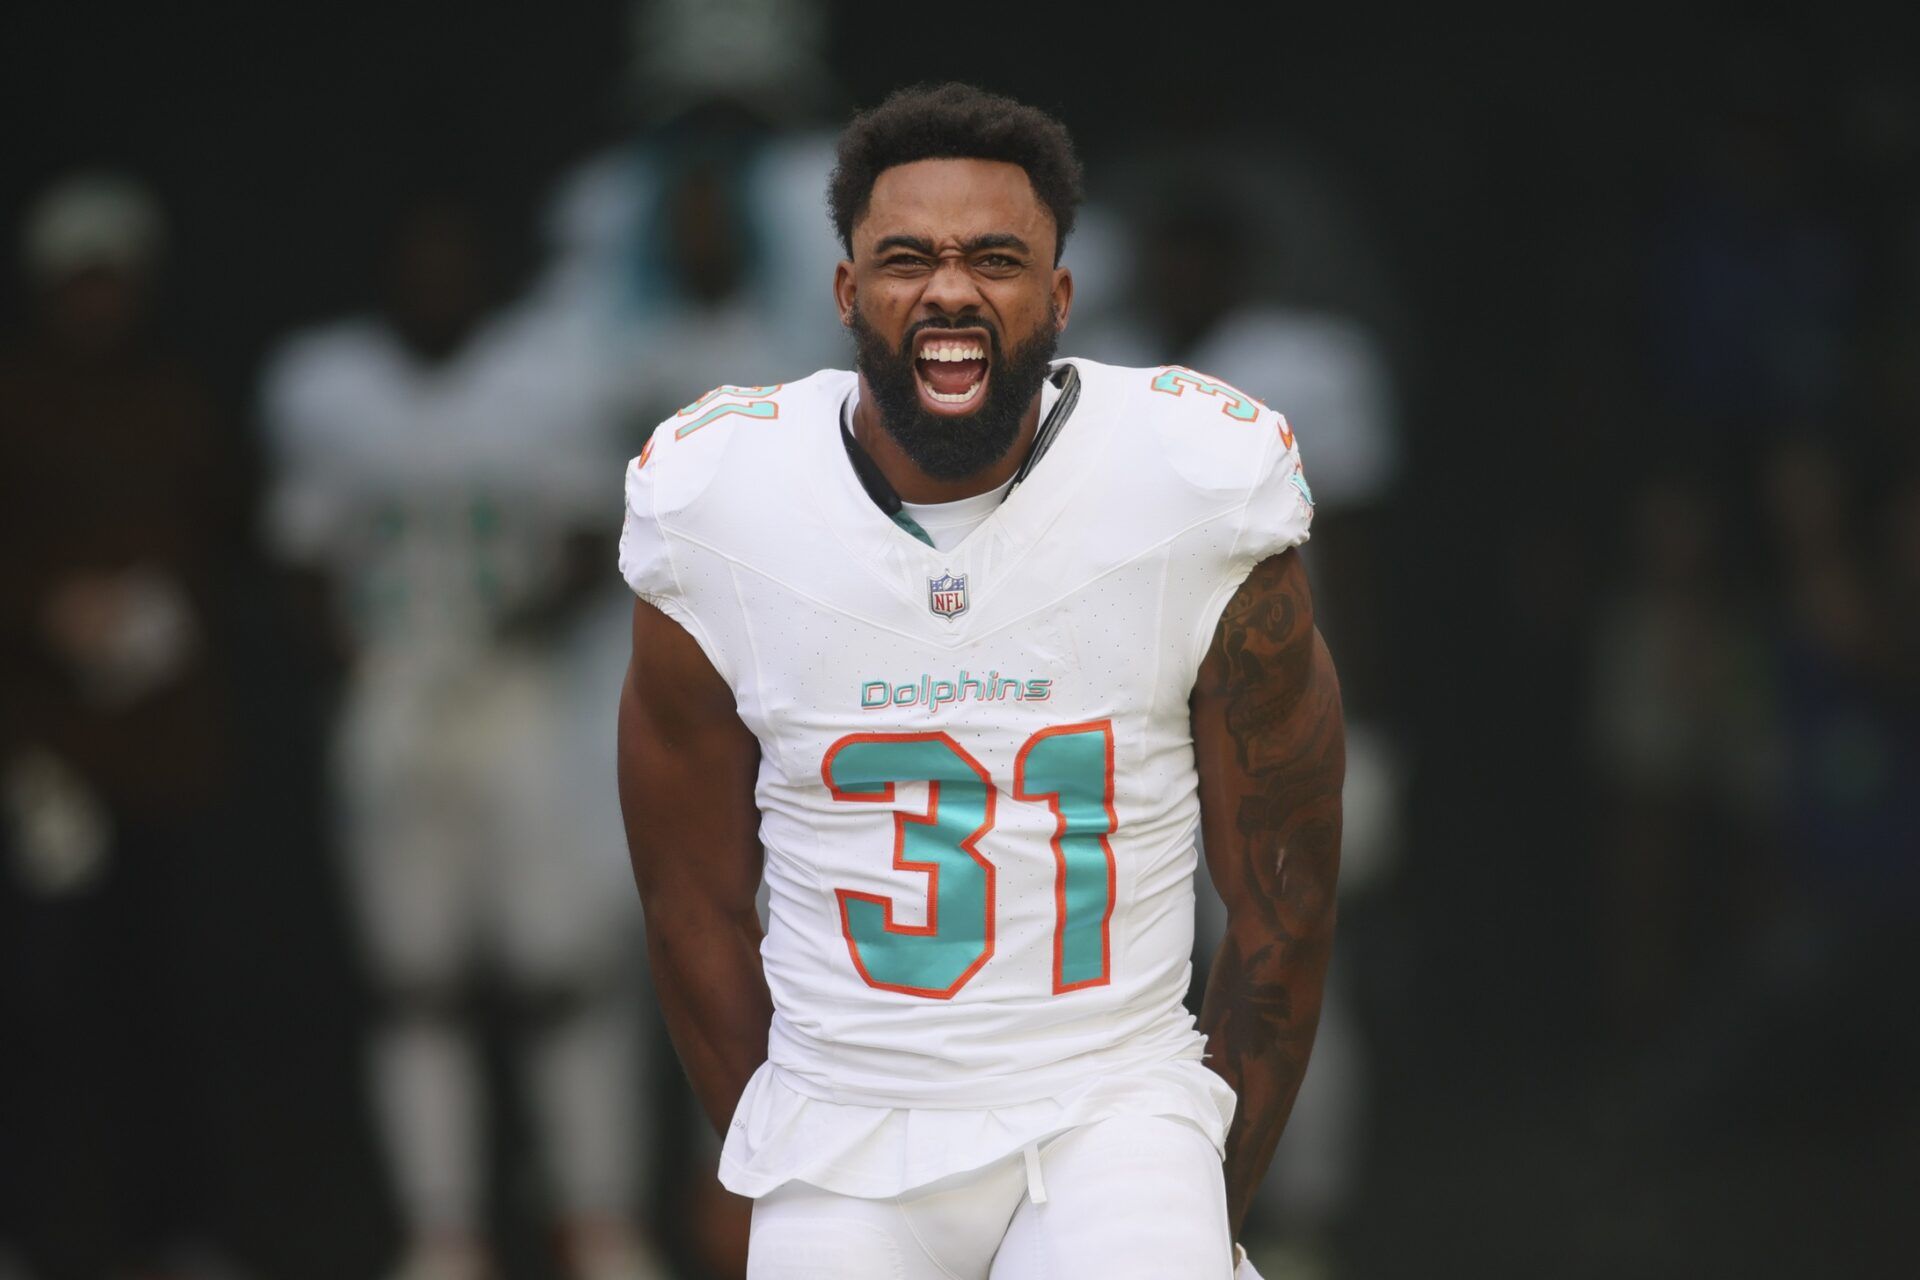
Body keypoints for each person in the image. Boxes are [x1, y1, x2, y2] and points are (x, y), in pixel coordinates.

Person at [615, 84, 1345, 1279]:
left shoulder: (1194, 478)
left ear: (1058, 296)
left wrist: (1196, 1200)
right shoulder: (719, 499)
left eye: (995, 257)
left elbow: (1286, 896)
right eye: (907, 256)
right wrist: (773, 1132)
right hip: (841, 1116)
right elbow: (690, 901)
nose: (950, 286)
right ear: (847, 293)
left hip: (1113, 1101)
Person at [258, 194, 663, 1280]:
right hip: (392, 698)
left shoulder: (546, 371)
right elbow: (298, 555)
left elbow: (592, 534)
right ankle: (442, 1232)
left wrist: (492, 635)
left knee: (563, 970)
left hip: (518, 692)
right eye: (415, 259)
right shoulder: (325, 384)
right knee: (413, 978)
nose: (435, 280)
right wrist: (366, 658)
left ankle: (597, 1219)